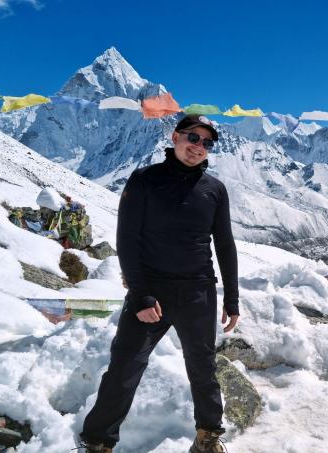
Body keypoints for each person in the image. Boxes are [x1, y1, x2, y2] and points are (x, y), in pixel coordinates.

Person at [78, 114, 239, 453]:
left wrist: (232, 298)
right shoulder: (145, 180)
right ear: (175, 137)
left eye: (207, 143)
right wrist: (140, 295)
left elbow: (225, 244)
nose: (198, 147)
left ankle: (208, 436)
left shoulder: (215, 190)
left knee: (203, 367)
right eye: (193, 137)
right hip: (151, 292)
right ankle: (97, 442)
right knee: (125, 366)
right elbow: (127, 239)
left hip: (198, 291)